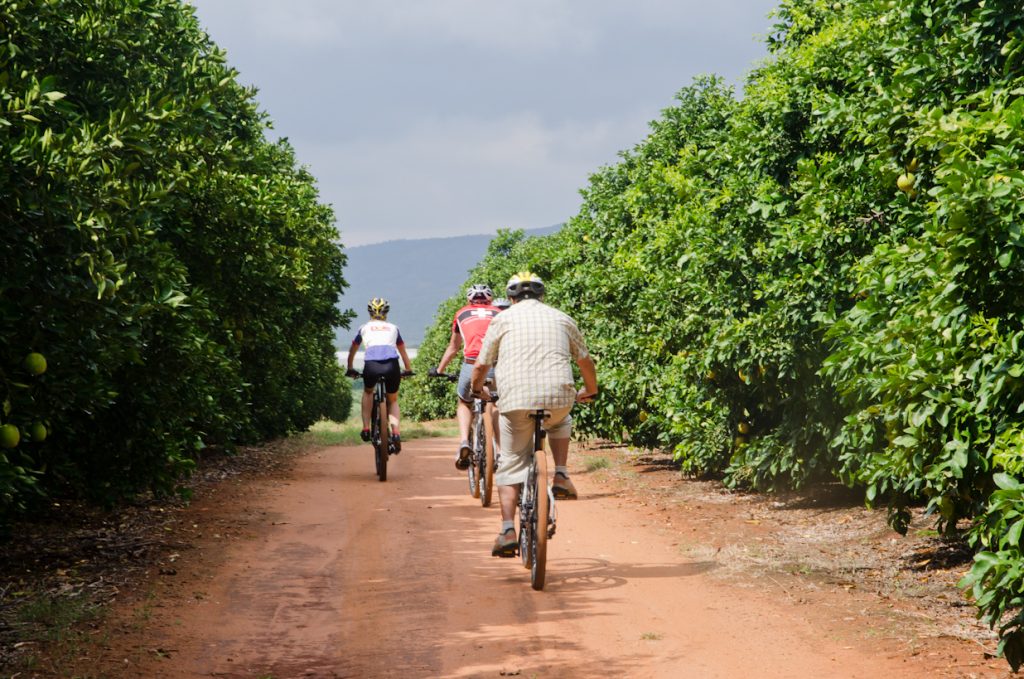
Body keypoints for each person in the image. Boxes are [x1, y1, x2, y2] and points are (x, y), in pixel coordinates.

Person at [470, 272, 598, 557]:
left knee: (511, 461)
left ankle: (507, 530)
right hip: (558, 397)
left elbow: (481, 366)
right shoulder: (563, 318)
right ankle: (562, 474)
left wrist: (478, 390)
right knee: (562, 418)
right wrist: (591, 390)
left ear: (511, 298)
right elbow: (585, 361)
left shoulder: (500, 320)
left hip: (515, 400)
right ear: (542, 296)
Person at [430, 284, 501, 469]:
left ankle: (464, 442)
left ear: (470, 301)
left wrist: (439, 370)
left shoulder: (461, 314)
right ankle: (501, 452)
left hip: (471, 365)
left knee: (464, 402)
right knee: (494, 404)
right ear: (490, 300)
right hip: (495, 365)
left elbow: (453, 348)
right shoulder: (499, 313)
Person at [346, 298, 413, 452]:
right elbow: (402, 351)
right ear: (386, 312)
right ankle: (396, 433)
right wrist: (408, 369)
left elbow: (353, 348)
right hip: (391, 365)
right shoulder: (394, 328)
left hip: (371, 365)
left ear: (369, 312)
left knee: (368, 392)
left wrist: (350, 367)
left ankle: (366, 428)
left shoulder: (364, 328)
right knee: (393, 400)